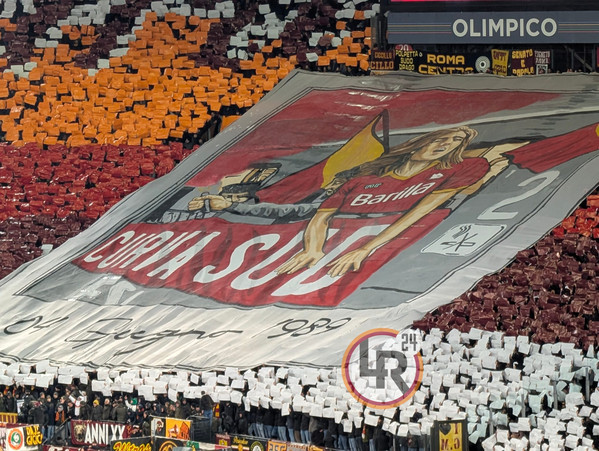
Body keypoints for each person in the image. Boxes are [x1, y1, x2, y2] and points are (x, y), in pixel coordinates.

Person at [276, 126, 487, 277]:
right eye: (440, 138)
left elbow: (418, 213)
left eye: (456, 140)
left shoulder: (465, 168)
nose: (447, 144)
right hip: (324, 213)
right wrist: (312, 248)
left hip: (377, 234)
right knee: (278, 210)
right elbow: (321, 216)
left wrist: (366, 249)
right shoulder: (361, 181)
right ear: (420, 143)